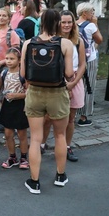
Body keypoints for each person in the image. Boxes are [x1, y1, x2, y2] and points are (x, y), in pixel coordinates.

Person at [21, 9, 74, 194]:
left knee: (35, 139)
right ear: (58, 23)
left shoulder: (28, 43)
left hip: (34, 93)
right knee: (60, 136)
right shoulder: (66, 44)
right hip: (57, 93)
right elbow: (68, 74)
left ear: (40, 22)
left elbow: (22, 74)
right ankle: (60, 176)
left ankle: (34, 181)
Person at [40, 10, 87, 162]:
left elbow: (82, 65)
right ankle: (41, 144)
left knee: (71, 118)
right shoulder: (52, 40)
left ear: (73, 23)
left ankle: (66, 146)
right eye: (63, 22)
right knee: (48, 117)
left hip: (74, 80)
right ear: (58, 23)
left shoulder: (78, 41)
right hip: (55, 81)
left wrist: (73, 83)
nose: (66, 25)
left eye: (69, 22)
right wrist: (63, 83)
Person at [0, 47, 29, 169]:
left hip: (20, 106)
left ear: (19, 60)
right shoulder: (4, 73)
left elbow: (30, 93)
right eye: (7, 58)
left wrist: (17, 95)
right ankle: (12, 157)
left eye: (12, 59)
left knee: (21, 134)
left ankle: (24, 158)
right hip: (7, 105)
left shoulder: (23, 74)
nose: (9, 61)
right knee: (8, 134)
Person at [75, 2, 103, 127]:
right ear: (85, 13)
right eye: (92, 11)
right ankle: (84, 116)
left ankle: (72, 112)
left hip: (76, 60)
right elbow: (99, 40)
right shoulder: (91, 26)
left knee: (76, 86)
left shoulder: (72, 24)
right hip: (89, 59)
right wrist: (95, 24)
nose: (93, 14)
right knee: (88, 86)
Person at [0, 6, 20, 74]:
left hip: (5, 68)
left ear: (9, 18)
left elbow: (16, 54)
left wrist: (0, 63)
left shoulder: (12, 34)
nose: (1, 18)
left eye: (4, 16)